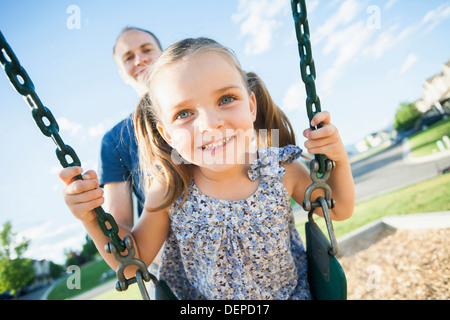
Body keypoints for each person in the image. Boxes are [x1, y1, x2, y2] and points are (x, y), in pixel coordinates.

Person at [59, 37, 355, 300]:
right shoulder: (171, 188)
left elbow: (338, 208)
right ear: (167, 135)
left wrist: (337, 157)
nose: (211, 123)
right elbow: (132, 261)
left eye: (226, 99)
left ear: (251, 106)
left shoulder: (278, 168)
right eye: (184, 113)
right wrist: (90, 218)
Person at [95, 27, 163, 232]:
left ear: (164, 55)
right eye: (128, 57)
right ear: (123, 74)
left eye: (147, 50)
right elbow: (120, 226)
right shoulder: (115, 141)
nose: (139, 60)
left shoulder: (202, 106)